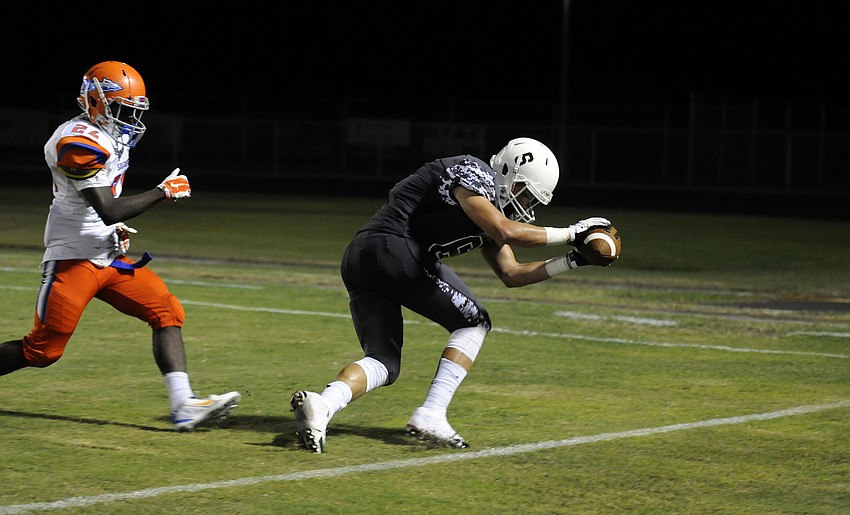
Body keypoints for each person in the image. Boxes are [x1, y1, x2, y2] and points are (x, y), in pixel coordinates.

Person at [291, 137, 613, 453]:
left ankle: (322, 404)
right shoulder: (474, 173)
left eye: (532, 201)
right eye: (523, 193)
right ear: (505, 173)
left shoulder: (491, 214)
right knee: (475, 322)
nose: (525, 205)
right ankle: (431, 413)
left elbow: (512, 274)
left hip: (363, 258)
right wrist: (572, 233)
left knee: (384, 362)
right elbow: (504, 230)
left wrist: (573, 260)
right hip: (393, 246)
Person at [0, 61, 240, 431]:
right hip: (73, 260)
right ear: (95, 101)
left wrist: (115, 227)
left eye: (133, 110)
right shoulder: (76, 140)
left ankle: (184, 406)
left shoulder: (108, 138)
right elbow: (108, 208)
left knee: (166, 311)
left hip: (109, 256)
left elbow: (104, 208)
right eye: (123, 109)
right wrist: (162, 192)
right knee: (43, 351)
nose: (130, 118)